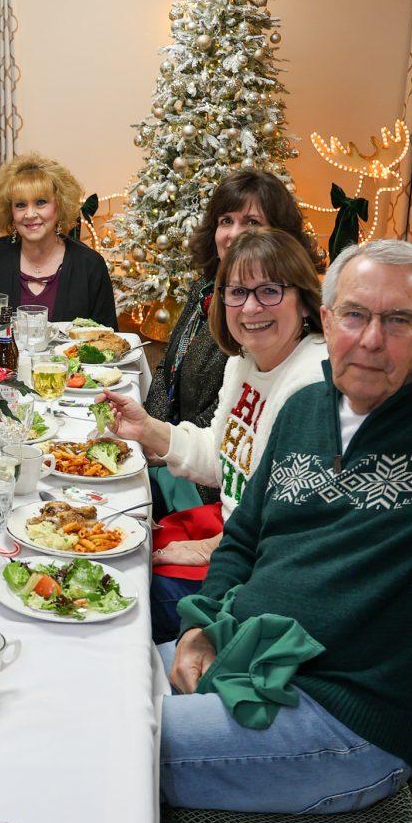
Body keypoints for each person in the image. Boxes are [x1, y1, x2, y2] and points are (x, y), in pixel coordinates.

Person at [159, 239, 412, 816]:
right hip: (242, 655)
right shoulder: (302, 409)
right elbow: (242, 541)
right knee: (78, 683)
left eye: (398, 320)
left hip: (341, 717)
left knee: (104, 744)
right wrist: (201, 628)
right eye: (356, 315)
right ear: (329, 318)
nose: (370, 339)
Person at [101, 229, 327, 642]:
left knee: (125, 590)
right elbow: (222, 456)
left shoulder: (310, 381)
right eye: (237, 292)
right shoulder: (245, 362)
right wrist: (147, 429)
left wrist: (212, 547)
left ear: (304, 299)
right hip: (228, 530)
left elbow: (285, 517)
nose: (251, 307)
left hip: (258, 565)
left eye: (270, 291)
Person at [143, 171, 323, 507]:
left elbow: (283, 504)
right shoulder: (209, 291)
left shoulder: (304, 372)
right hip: (195, 464)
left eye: (252, 222)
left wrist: (155, 450)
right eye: (226, 220)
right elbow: (169, 367)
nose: (235, 234)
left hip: (205, 494)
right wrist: (147, 431)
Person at [0, 152, 117, 325]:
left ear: (60, 205)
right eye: (20, 205)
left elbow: (109, 341)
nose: (29, 214)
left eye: (40, 202)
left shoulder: (90, 265)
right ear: (10, 211)